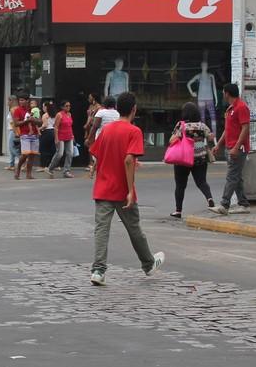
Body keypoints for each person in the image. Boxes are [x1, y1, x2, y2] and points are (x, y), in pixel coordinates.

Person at [88, 91, 164, 286]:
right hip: (122, 190)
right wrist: (130, 190)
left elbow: (97, 154)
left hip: (103, 188)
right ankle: (148, 264)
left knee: (101, 230)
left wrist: (95, 169)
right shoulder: (133, 131)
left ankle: (98, 270)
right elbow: (129, 160)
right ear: (134, 109)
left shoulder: (106, 130)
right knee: (134, 229)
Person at [168, 102, 216, 218]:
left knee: (180, 185)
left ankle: (178, 211)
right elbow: (210, 137)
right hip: (200, 158)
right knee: (201, 182)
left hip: (183, 159)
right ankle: (209, 199)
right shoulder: (202, 126)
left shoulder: (181, 125)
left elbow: (172, 140)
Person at [212, 83, 250, 215]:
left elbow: (245, 128)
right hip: (229, 147)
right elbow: (227, 131)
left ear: (227, 93)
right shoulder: (230, 109)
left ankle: (224, 204)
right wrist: (218, 145)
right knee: (236, 177)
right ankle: (244, 204)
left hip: (237, 149)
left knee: (231, 176)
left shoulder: (241, 107)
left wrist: (236, 147)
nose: (222, 94)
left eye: (223, 92)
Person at [10, 93, 39, 180]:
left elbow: (40, 122)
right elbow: (16, 123)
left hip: (34, 134)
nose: (20, 102)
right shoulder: (17, 110)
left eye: (22, 100)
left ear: (27, 101)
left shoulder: (33, 110)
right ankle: (18, 169)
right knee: (25, 154)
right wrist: (26, 121)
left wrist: (35, 120)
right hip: (24, 134)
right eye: (20, 100)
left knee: (32, 155)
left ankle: (28, 174)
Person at [47, 100, 75, 178]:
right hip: (61, 136)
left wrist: (73, 136)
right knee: (60, 154)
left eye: (69, 106)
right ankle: (50, 168)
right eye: (66, 106)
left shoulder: (69, 114)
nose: (68, 107)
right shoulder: (59, 115)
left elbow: (70, 126)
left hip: (69, 136)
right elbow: (56, 127)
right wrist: (56, 138)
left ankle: (66, 171)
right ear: (62, 107)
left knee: (70, 153)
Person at [39, 100, 57, 169]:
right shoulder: (55, 114)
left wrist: (39, 129)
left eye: (43, 106)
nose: (42, 108)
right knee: (53, 149)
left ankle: (43, 166)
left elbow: (45, 125)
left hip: (47, 132)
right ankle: (54, 165)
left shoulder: (45, 115)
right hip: (54, 132)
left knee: (44, 149)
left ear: (46, 107)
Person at [4, 96, 20, 171]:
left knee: (11, 147)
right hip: (13, 130)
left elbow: (14, 122)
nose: (7, 102)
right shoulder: (16, 108)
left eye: (8, 101)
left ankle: (23, 160)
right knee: (12, 148)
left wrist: (16, 132)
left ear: (11, 101)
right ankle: (11, 164)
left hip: (13, 130)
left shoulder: (12, 110)